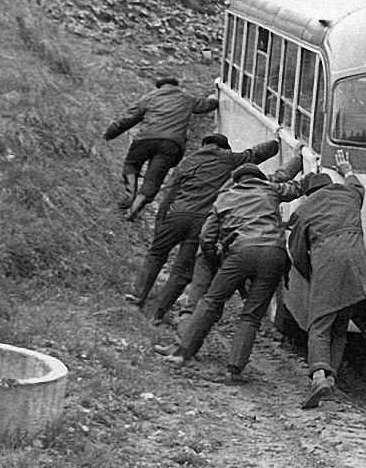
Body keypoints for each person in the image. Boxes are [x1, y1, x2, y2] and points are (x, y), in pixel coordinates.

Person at [161, 162, 309, 379]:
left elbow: (206, 238)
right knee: (251, 315)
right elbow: (296, 188)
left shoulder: (224, 198)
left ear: (237, 180)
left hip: (241, 253)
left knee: (211, 301)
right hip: (274, 254)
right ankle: (234, 371)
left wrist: (217, 260)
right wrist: (312, 172)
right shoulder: (269, 188)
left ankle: (182, 353)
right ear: (257, 177)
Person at [125, 132, 279, 313]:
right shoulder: (228, 158)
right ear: (223, 148)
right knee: (181, 271)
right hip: (201, 222)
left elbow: (170, 195)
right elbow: (257, 153)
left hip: (176, 215)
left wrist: (161, 222)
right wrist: (276, 141)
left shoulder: (187, 162)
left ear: (204, 144)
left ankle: (137, 298)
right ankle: (157, 311)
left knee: (156, 255)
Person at [287, 151, 366, 410]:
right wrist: (347, 169)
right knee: (339, 326)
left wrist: (313, 276)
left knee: (318, 325)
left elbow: (296, 253)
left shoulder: (304, 210)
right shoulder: (348, 195)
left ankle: (318, 377)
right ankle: (331, 378)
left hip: (328, 265)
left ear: (309, 193)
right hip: (358, 268)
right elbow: (357, 186)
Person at [103, 74, 218, 221]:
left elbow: (127, 117)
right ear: (176, 86)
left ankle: (129, 193)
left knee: (131, 164)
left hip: (145, 139)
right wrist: (216, 100)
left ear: (159, 86)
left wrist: (109, 134)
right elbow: (205, 106)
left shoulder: (150, 97)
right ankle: (132, 212)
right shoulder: (187, 98)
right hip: (171, 144)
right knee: (153, 180)